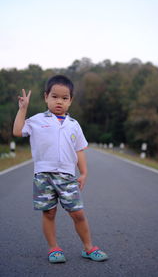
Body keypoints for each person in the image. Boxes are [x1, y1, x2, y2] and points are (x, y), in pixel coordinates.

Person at [13, 75, 108, 263]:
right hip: (43, 176)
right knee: (49, 212)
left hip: (67, 176)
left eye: (65, 98)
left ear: (70, 101)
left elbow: (79, 150)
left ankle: (88, 247)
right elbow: (17, 131)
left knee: (78, 213)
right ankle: (53, 248)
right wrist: (23, 109)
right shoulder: (37, 120)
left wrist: (84, 173)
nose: (59, 101)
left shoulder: (74, 125)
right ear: (46, 97)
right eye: (55, 96)